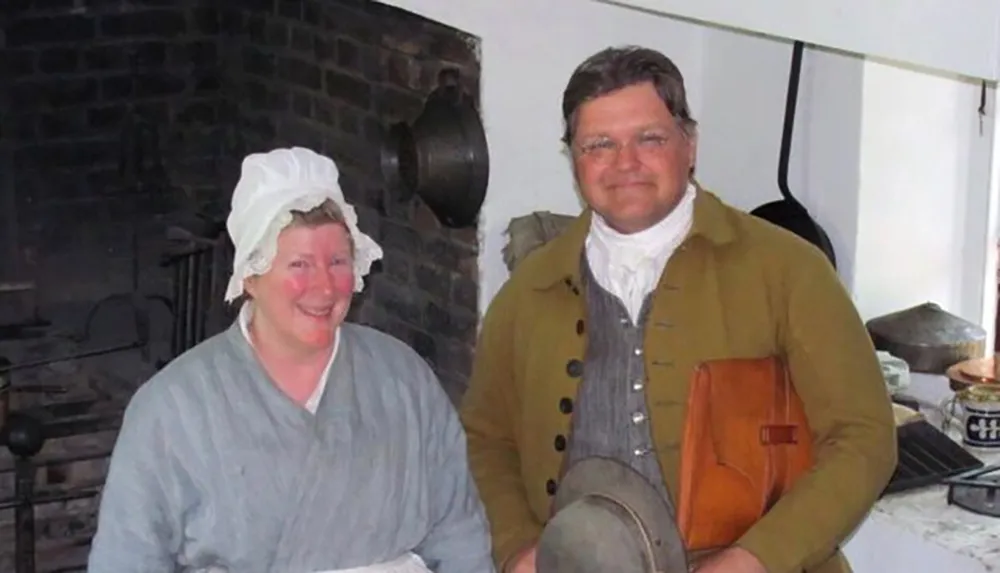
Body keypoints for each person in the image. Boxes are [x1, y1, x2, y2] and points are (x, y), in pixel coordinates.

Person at [460, 46, 898, 573]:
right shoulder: (530, 289)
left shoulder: (788, 271)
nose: (625, 164)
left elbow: (865, 438)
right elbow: (486, 438)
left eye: (650, 138)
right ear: (574, 159)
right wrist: (518, 548)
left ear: (689, 145)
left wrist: (754, 560)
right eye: (599, 144)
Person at [87, 147, 495, 573]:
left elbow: (460, 535)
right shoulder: (171, 410)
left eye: (337, 261)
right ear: (250, 276)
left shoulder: (404, 380)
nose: (323, 287)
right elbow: (126, 561)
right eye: (299, 263)